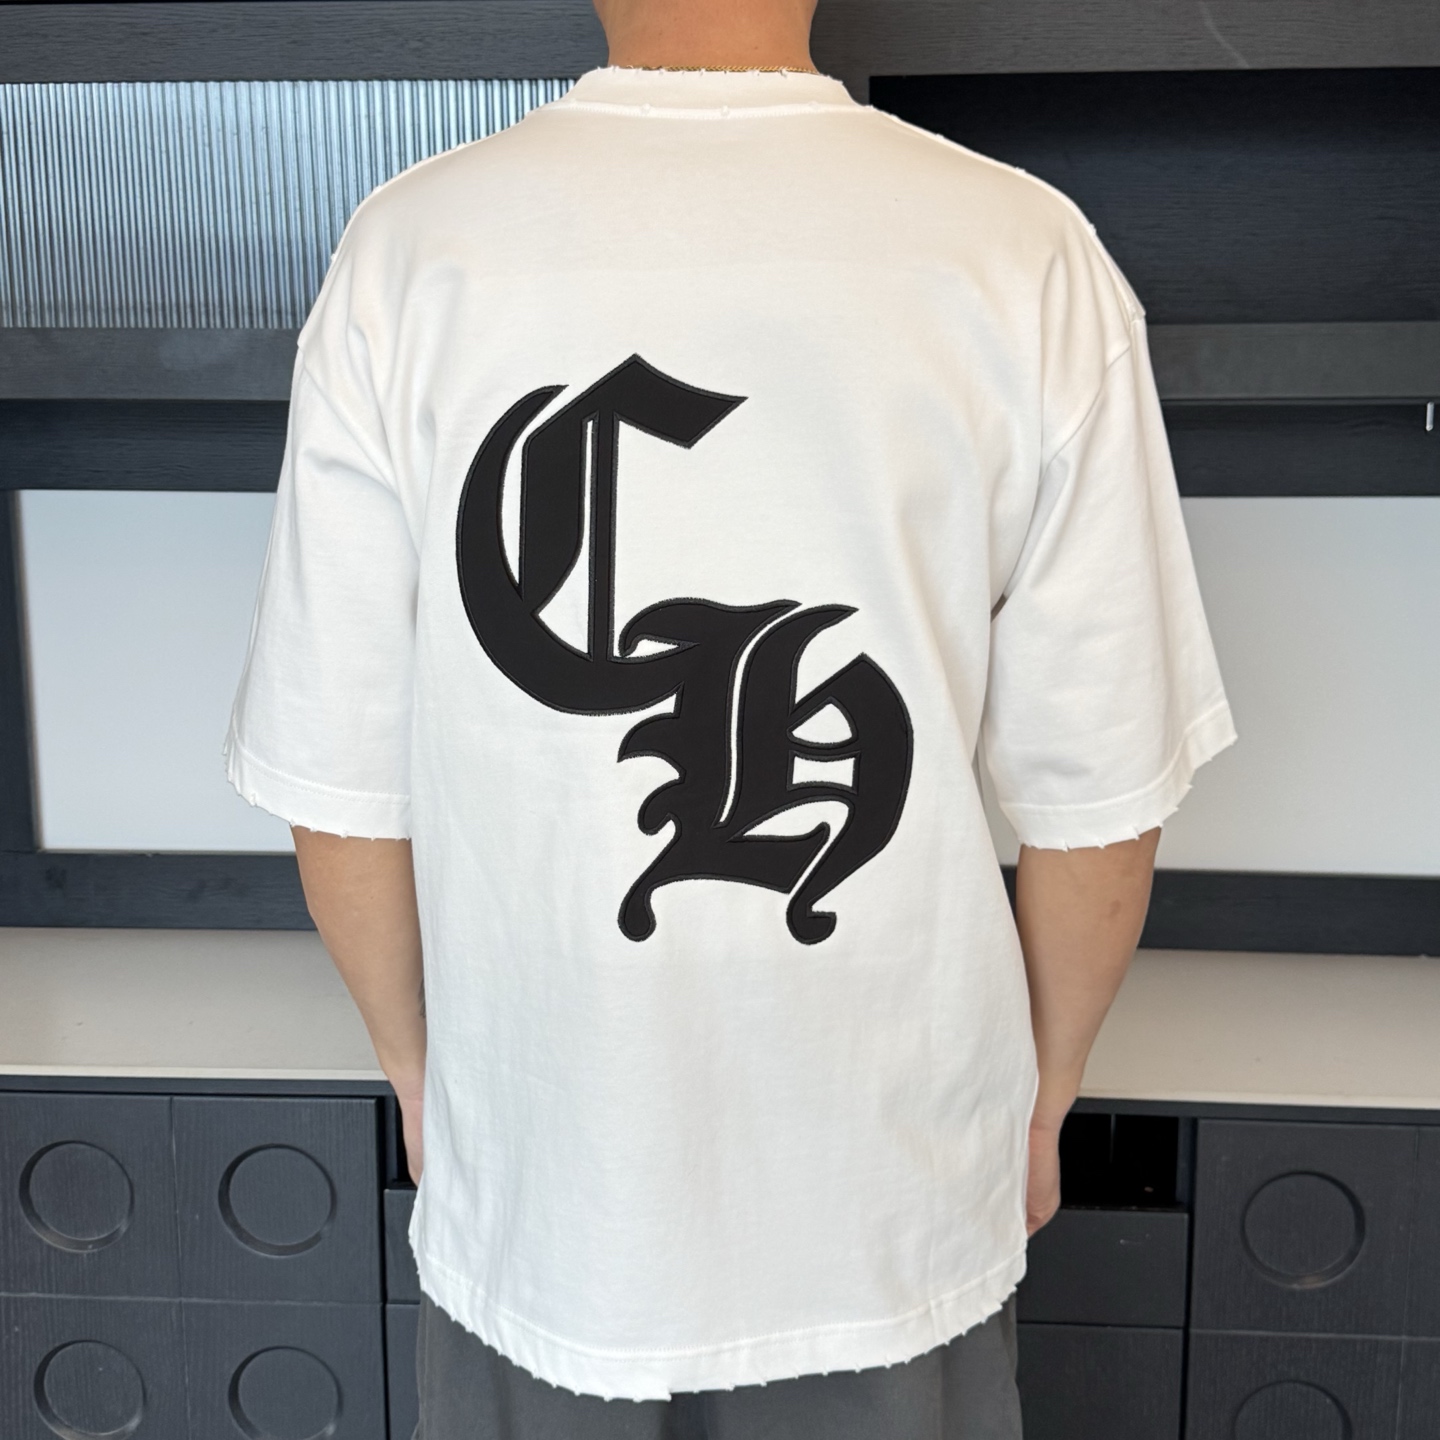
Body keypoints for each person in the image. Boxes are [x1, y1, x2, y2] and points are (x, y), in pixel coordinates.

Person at [226, 0, 1234, 1434]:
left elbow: (338, 785)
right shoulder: (1023, 252)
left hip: (548, 1189)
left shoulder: (408, 253)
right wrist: (1043, 1093)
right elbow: (1101, 801)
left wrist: (424, 1078)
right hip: (890, 1188)